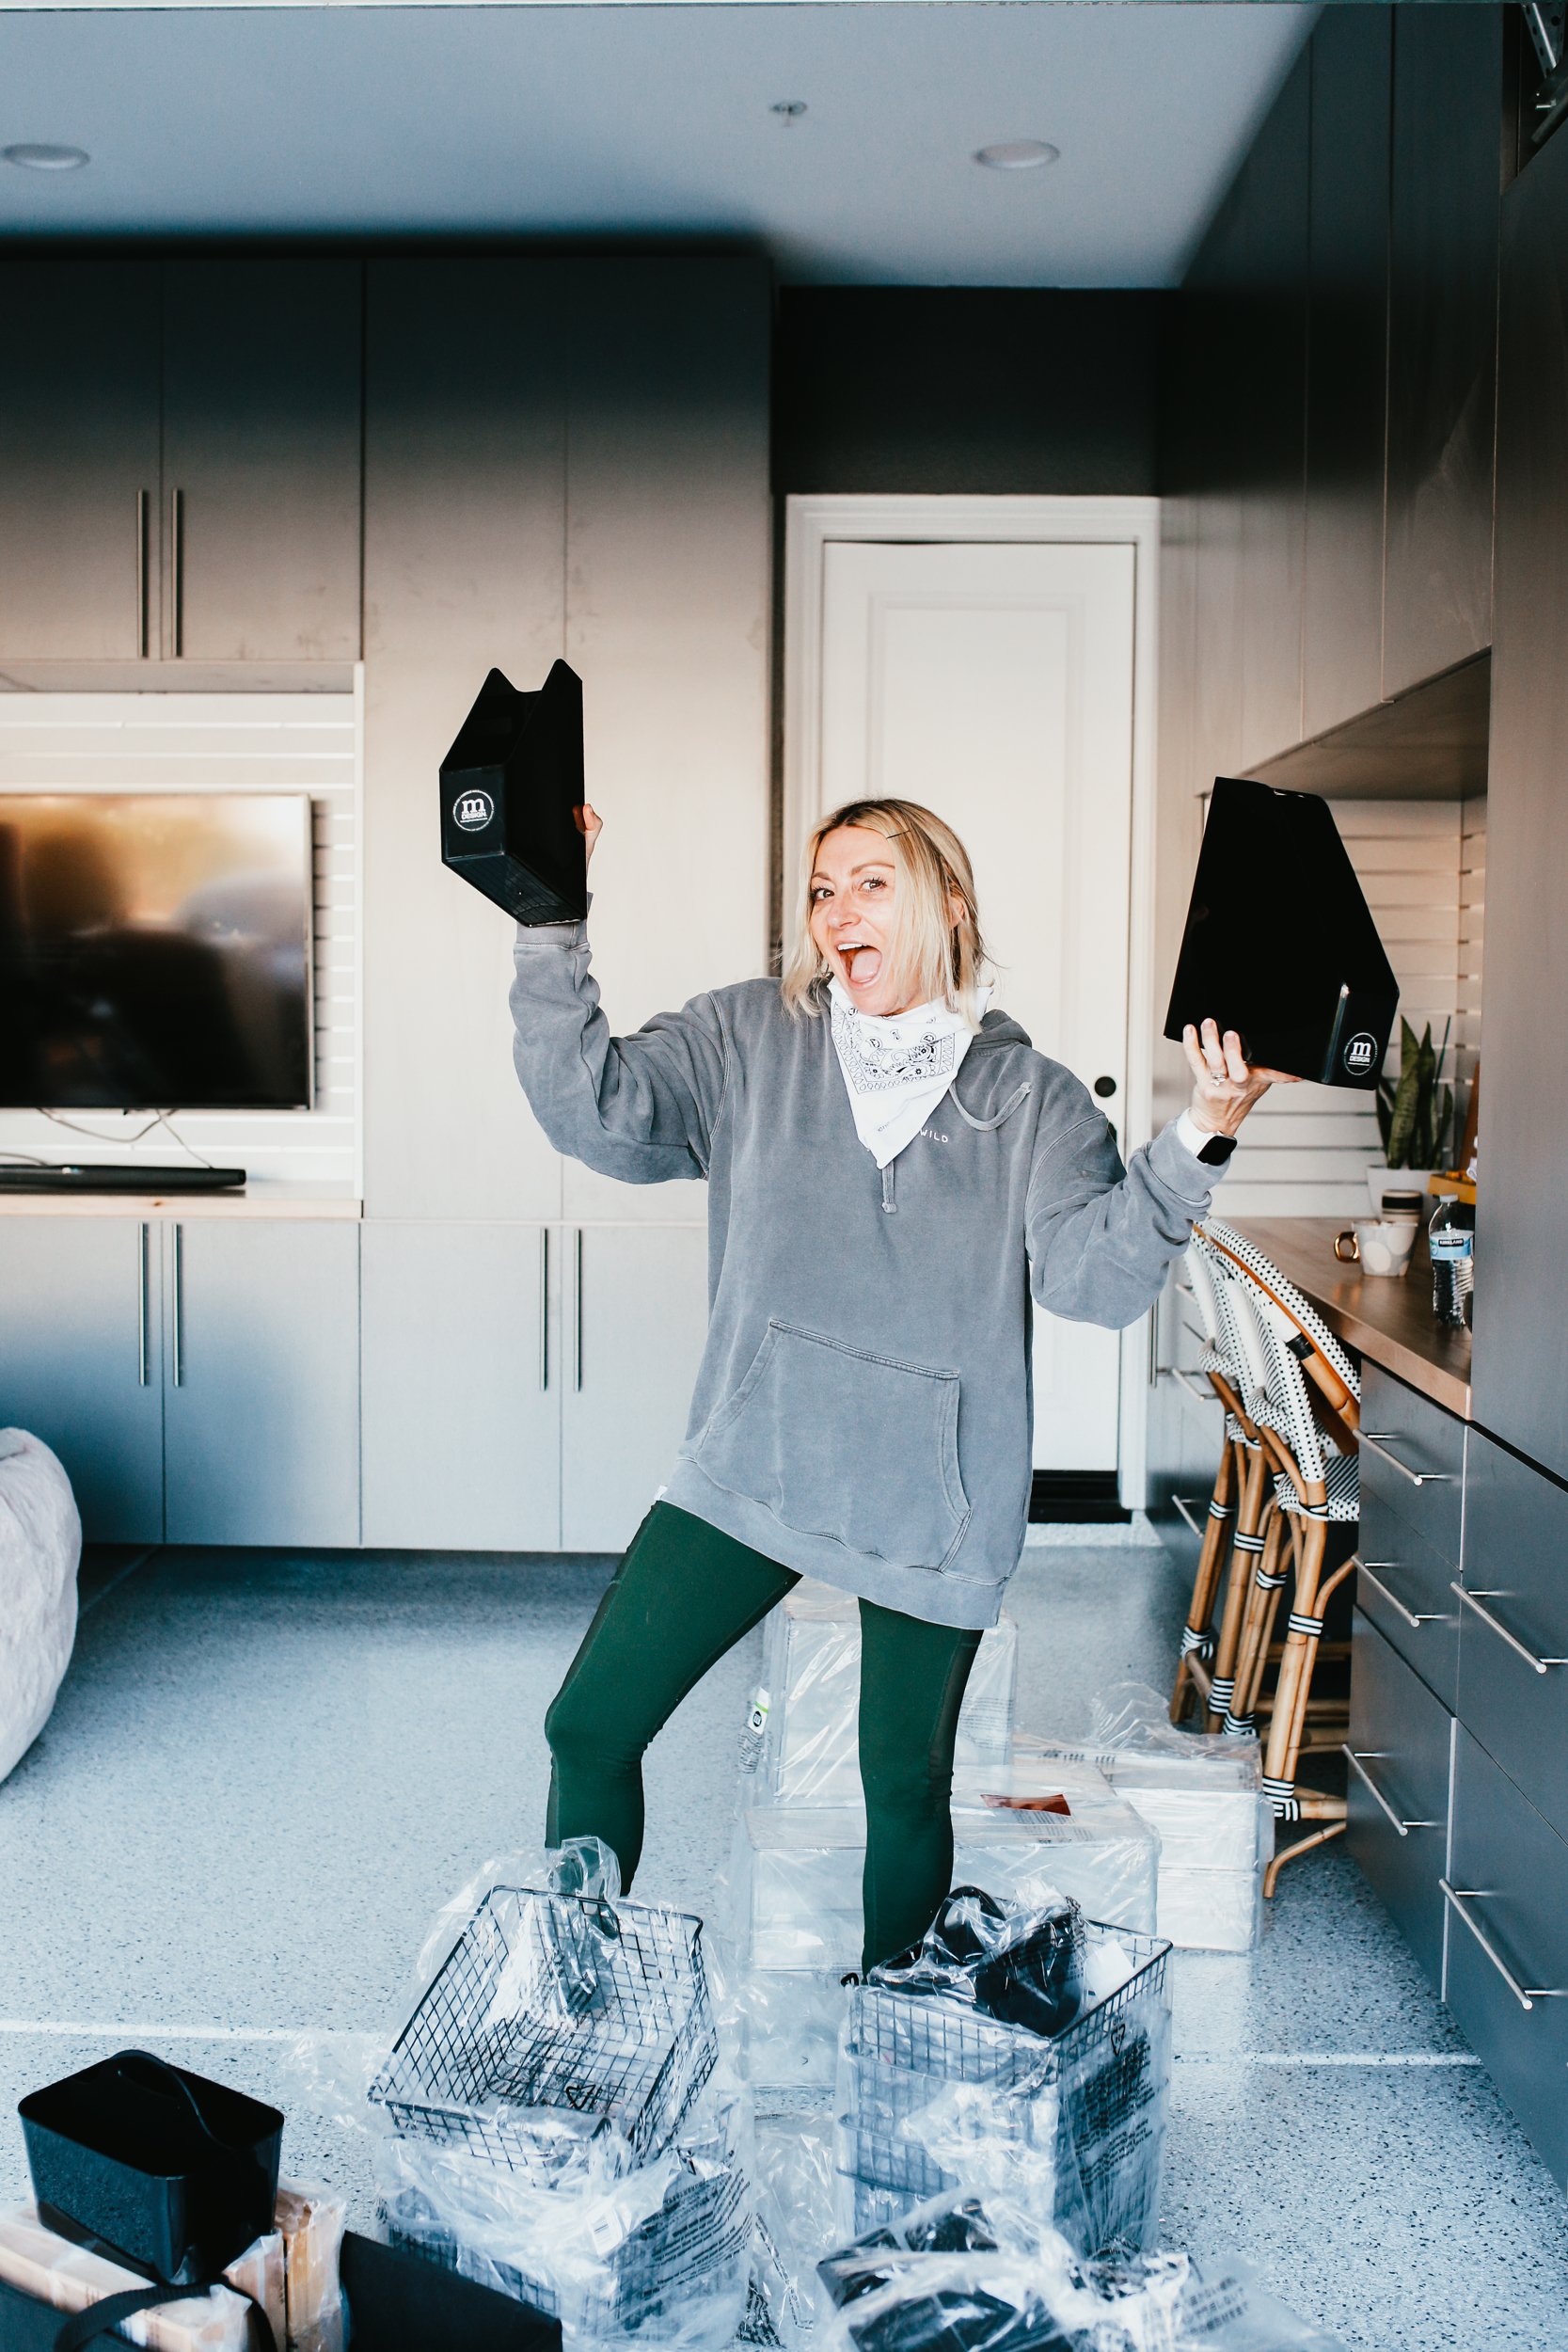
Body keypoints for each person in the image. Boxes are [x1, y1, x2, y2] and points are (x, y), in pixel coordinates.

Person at [509, 796, 1289, 1970]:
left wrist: (1198, 1136)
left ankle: (892, 2044)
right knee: (589, 1723)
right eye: (820, 890)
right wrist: (547, 920)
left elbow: (1092, 1280)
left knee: (904, 1798)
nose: (833, 914)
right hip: (755, 1457)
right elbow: (596, 1109)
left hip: (933, 1505)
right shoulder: (745, 1041)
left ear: (947, 906)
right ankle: (572, 2008)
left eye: (868, 882)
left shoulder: (1030, 1099)